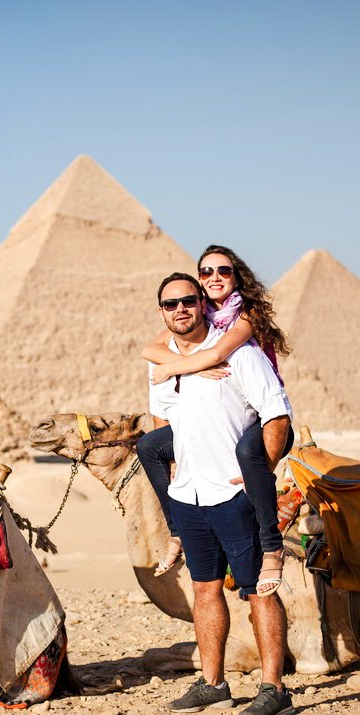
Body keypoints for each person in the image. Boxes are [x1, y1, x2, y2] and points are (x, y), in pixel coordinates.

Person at [147, 272, 294, 715]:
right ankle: (213, 683)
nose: (180, 310)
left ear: (203, 304)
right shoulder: (161, 364)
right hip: (188, 494)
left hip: (232, 494)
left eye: (188, 301)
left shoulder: (243, 355)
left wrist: (259, 475)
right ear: (161, 311)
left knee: (259, 591)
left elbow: (276, 416)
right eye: (170, 304)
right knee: (204, 589)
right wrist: (173, 474)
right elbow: (160, 423)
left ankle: (274, 688)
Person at [137, 245, 292, 597]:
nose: (214, 278)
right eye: (206, 272)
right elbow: (151, 350)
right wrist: (189, 365)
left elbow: (219, 353)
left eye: (223, 271)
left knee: (248, 456)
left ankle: (272, 546)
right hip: (208, 417)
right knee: (148, 445)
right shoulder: (197, 314)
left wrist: (189, 366)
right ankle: (175, 530)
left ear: (237, 276)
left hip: (262, 418)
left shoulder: (245, 315)